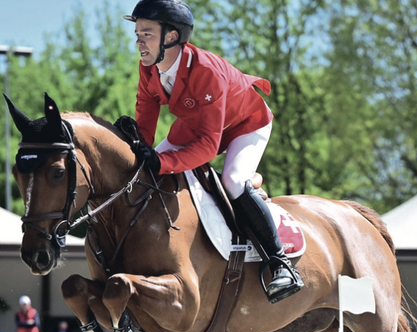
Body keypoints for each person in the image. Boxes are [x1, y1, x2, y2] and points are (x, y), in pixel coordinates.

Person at [123, 0, 303, 304]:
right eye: (138, 33)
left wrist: (164, 162)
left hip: (247, 125)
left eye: (147, 33)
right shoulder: (149, 69)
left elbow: (207, 147)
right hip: (197, 126)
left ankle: (280, 264)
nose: (139, 40)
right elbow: (146, 120)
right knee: (144, 173)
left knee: (233, 180)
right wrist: (137, 145)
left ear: (171, 36)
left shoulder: (206, 70)